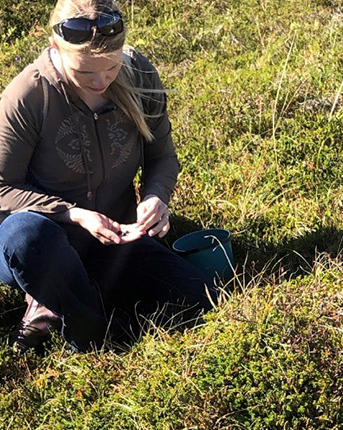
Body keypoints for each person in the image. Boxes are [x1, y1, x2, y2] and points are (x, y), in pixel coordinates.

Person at [0, 0, 218, 352]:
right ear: (55, 47)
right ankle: (87, 328)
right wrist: (71, 214)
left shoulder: (140, 73)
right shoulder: (28, 95)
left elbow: (162, 157)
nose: (100, 81)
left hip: (112, 237)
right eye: (85, 73)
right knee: (26, 233)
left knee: (200, 295)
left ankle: (62, 302)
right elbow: (1, 187)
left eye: (111, 68)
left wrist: (155, 197)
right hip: (39, 242)